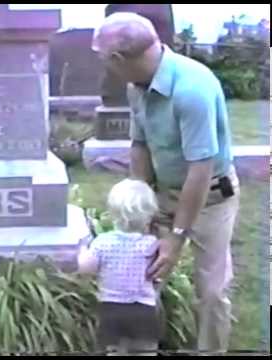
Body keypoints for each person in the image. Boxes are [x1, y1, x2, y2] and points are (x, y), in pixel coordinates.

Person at [91, 12, 240, 354]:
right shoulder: (136, 86)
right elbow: (140, 144)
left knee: (212, 291)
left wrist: (176, 237)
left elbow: (200, 170)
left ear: (118, 59)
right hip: (161, 194)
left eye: (102, 59)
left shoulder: (191, 89)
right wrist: (138, 204)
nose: (104, 67)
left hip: (211, 198)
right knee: (135, 276)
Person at [78, 179, 161, 355]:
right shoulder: (152, 245)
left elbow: (86, 268)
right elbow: (159, 274)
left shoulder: (103, 243)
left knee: (115, 350)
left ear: (113, 213)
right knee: (145, 350)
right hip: (144, 310)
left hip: (112, 309)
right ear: (149, 215)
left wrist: (82, 250)